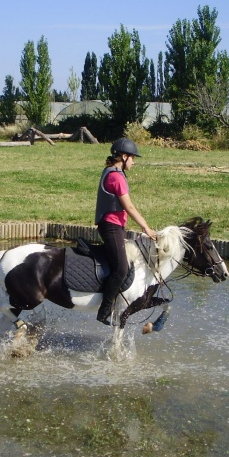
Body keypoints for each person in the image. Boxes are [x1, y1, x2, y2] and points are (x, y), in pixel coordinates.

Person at [95, 138, 157, 325]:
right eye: (132, 158)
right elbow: (128, 206)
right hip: (111, 226)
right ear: (124, 156)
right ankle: (104, 311)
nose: (134, 162)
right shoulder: (116, 176)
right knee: (121, 268)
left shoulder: (113, 172)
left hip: (115, 226)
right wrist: (146, 227)